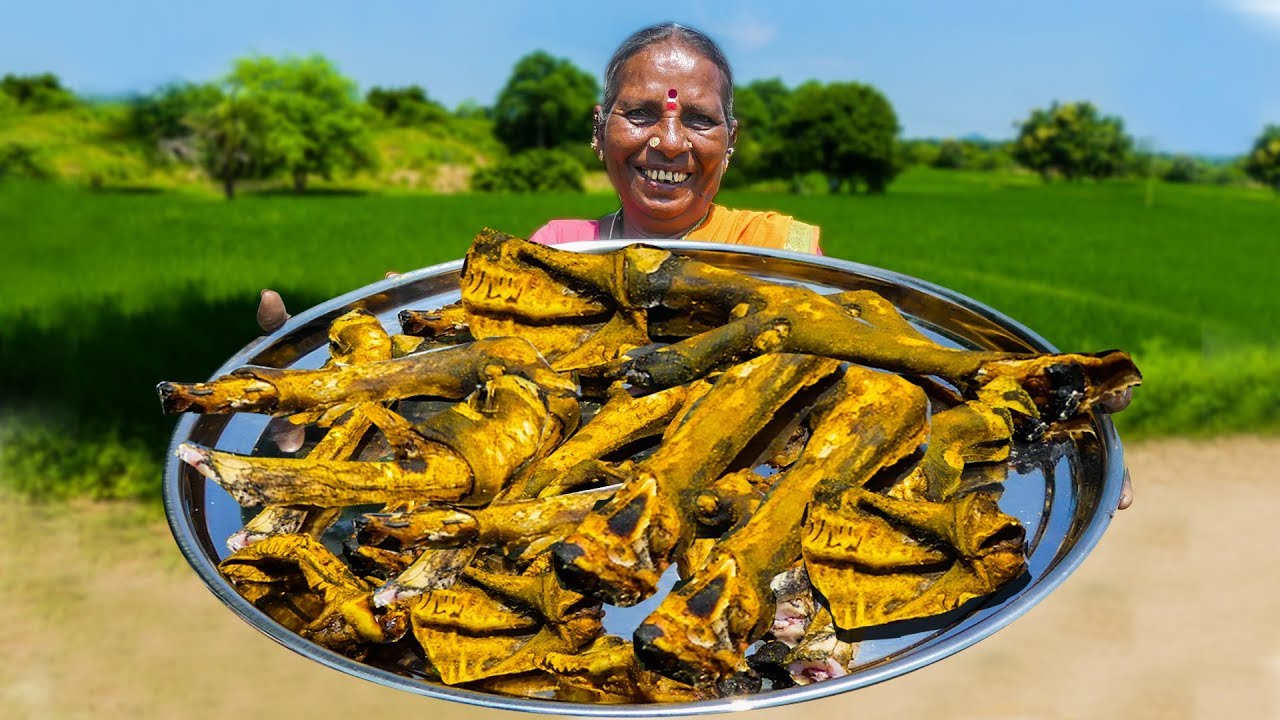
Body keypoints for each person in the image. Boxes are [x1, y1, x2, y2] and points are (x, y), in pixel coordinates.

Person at [255, 23, 1133, 508]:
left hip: (731, 528)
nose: (668, 141)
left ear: (732, 141)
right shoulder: (557, 253)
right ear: (599, 130)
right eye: (640, 114)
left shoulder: (786, 255)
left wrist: (1073, 428)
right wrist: (309, 380)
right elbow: (463, 396)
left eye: (698, 120)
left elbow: (895, 379)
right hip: (575, 523)